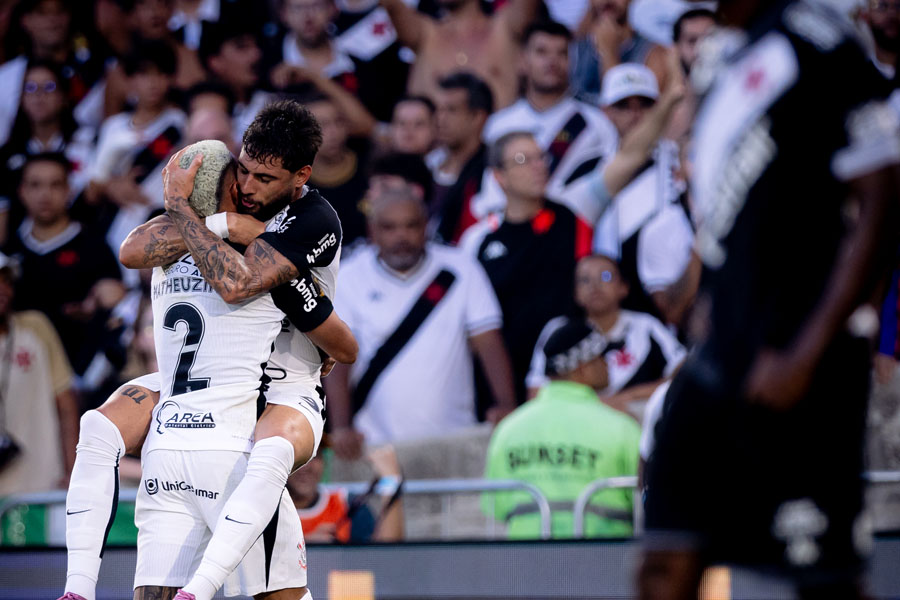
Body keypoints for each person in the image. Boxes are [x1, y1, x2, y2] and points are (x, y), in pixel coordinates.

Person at [638, 0, 900, 596]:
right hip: (720, 353)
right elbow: (735, 213)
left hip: (803, 352)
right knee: (664, 557)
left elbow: (881, 196)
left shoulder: (817, 37)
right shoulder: (717, 57)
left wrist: (806, 353)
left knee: (823, 577)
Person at [59, 102, 358, 600]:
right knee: (100, 422)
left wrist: (211, 223)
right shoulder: (220, 212)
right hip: (205, 381)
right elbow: (132, 251)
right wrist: (218, 223)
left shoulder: (313, 217)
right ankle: (77, 589)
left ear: (301, 175)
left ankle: (198, 589)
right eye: (242, 169)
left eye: (264, 177)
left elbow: (239, 286)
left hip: (283, 382)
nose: (247, 186)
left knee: (271, 450)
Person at [325, 184, 517, 458]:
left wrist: (506, 404)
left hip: (454, 441)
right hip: (375, 445)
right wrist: (342, 426)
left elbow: (488, 342)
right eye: (390, 227)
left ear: (426, 226)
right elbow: (338, 357)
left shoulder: (462, 268)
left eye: (411, 225)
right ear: (373, 231)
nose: (401, 236)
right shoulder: (348, 276)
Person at [461, 131, 593, 401]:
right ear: (499, 176)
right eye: (523, 159)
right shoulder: (477, 239)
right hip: (500, 383)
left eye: (541, 157)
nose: (539, 166)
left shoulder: (572, 216)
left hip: (565, 375)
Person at [483, 318, 640, 539]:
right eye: (603, 357)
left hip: (524, 567)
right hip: (603, 565)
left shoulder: (508, 431)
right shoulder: (622, 428)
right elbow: (645, 503)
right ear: (583, 368)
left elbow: (497, 508)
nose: (609, 364)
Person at [5, 153, 125, 396]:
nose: (45, 194)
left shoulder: (94, 247)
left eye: (55, 184)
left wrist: (97, 308)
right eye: (35, 185)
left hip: (78, 380)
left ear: (69, 190)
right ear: (21, 191)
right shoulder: (8, 251)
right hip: (15, 376)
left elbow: (117, 302)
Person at [481, 21, 618, 224]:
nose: (552, 61)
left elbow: (609, 181)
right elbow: (489, 186)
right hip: (508, 228)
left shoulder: (596, 123)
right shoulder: (499, 124)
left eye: (562, 53)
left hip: (572, 228)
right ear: (522, 60)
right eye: (541, 52)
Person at [82, 39, 186, 284]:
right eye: (143, 74)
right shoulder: (112, 127)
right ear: (129, 80)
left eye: (161, 74)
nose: (153, 83)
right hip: (115, 229)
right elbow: (90, 195)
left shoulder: (181, 124)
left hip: (160, 228)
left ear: (171, 78)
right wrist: (112, 187)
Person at [526, 255, 686, 413]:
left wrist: (623, 399)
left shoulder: (645, 326)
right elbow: (535, 392)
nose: (595, 286)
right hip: (573, 417)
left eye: (605, 276)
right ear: (575, 293)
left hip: (632, 417)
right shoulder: (558, 330)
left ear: (624, 287)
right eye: (584, 280)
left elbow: (683, 376)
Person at [591, 63, 682, 320]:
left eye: (644, 104)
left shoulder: (682, 162)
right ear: (606, 111)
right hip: (614, 310)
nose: (635, 114)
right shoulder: (590, 168)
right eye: (623, 105)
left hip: (675, 302)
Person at [0, 251, 79, 495]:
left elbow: (66, 404)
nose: (2, 288)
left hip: (41, 484)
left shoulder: (35, 326)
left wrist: (74, 473)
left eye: (6, 280)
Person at [380, 0, 539, 110]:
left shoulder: (505, 28)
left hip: (499, 150)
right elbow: (392, 5)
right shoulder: (425, 34)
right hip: (433, 155)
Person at [426, 72, 493, 243]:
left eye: (451, 110)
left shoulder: (493, 173)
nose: (440, 119)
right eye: (438, 110)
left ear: (478, 117)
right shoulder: (426, 165)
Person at [288, 445, 404, 543]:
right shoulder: (270, 509)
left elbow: (386, 557)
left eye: (314, 456)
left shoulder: (346, 503)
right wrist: (309, 548)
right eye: (297, 457)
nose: (306, 466)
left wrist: (390, 482)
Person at [570, 0, 672, 104]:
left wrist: (609, 53)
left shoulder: (653, 54)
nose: (606, 1)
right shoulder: (572, 50)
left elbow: (637, 114)